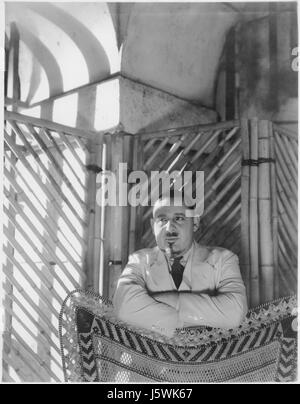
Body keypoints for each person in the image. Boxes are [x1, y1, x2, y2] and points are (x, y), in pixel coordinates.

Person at [113, 190, 248, 337]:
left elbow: (235, 314)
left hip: (206, 359)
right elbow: (124, 308)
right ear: (153, 226)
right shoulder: (139, 261)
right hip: (150, 359)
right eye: (162, 220)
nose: (169, 228)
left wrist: (165, 304)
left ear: (195, 222)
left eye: (179, 218)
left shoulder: (223, 259)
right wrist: (193, 322)